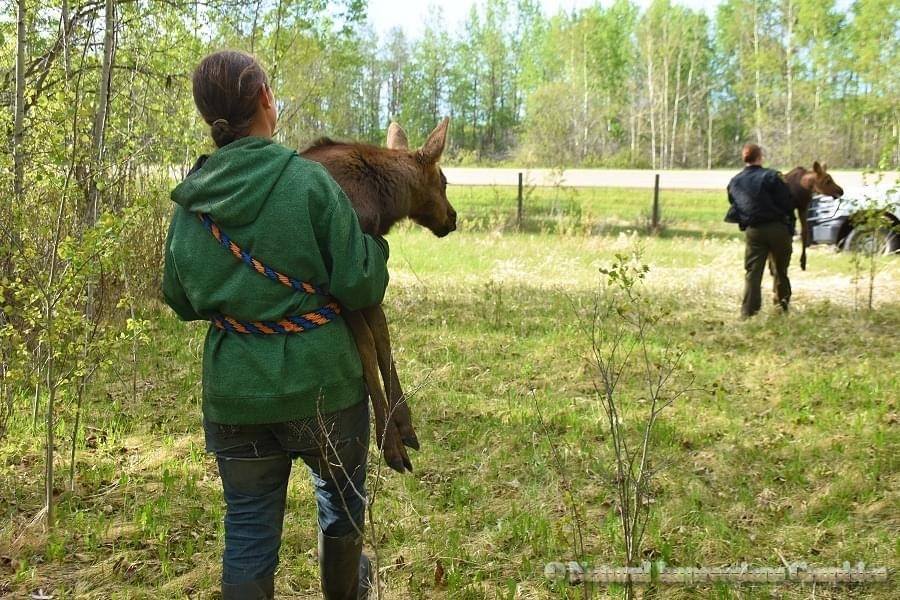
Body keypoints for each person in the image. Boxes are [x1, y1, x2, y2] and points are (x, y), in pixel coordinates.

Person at [162, 50, 389, 600]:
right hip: (326, 388)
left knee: (247, 531)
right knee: (341, 512)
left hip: (236, 393)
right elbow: (361, 282)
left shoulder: (193, 201)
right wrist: (375, 248)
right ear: (266, 98)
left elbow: (179, 296)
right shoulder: (309, 183)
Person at [725, 143, 796, 318]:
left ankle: (748, 312)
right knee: (780, 270)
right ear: (760, 157)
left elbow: (734, 205)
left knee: (753, 272)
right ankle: (782, 307)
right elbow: (788, 202)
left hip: (754, 230)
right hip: (777, 228)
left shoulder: (735, 181)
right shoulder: (772, 176)